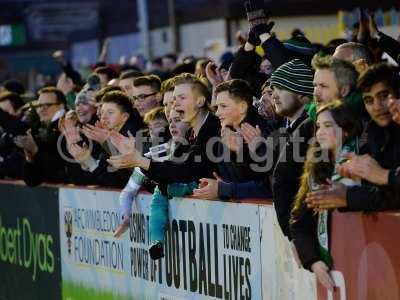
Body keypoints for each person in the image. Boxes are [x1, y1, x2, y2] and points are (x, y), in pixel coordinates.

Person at [306, 63, 400, 212]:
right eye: (369, 100)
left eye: (383, 96)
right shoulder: (372, 134)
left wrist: (384, 176)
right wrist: (344, 193)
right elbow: (381, 195)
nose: (376, 106)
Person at [290, 101, 362, 291]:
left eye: (328, 126)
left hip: (365, 256)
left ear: (345, 130)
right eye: (318, 126)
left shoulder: (362, 159)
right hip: (336, 267)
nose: (320, 132)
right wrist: (312, 260)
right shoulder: (316, 166)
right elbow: (299, 219)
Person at [192, 79, 272, 200]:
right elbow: (228, 181)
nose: (217, 113)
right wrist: (219, 188)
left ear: (242, 107)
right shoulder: (224, 133)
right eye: (217, 107)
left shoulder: (263, 131)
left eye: (223, 106)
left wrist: (225, 188)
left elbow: (265, 186)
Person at [269, 59, 315, 239]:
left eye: (281, 88)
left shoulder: (314, 128)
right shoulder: (281, 132)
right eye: (273, 89)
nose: (274, 96)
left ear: (303, 94)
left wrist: (295, 232)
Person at [16, 87, 67, 186]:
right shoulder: (37, 130)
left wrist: (35, 150)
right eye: (39, 105)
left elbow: (60, 171)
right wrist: (29, 156)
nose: (42, 109)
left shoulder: (67, 129)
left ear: (61, 106)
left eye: (47, 105)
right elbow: (31, 181)